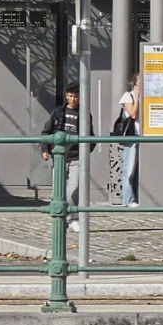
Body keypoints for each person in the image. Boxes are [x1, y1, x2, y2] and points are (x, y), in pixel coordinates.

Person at [41, 82, 93, 233]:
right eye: (70, 96)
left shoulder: (85, 115)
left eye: (75, 96)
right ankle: (60, 219)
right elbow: (46, 132)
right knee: (57, 192)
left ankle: (73, 218)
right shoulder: (58, 113)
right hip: (59, 156)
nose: (73, 99)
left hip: (77, 157)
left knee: (73, 189)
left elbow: (91, 136)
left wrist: (86, 151)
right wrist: (45, 149)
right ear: (66, 96)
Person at [118, 73, 141, 207]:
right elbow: (133, 114)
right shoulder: (128, 96)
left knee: (140, 168)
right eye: (139, 81)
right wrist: (137, 97)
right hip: (133, 135)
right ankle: (128, 199)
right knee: (130, 167)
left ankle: (138, 196)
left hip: (145, 136)